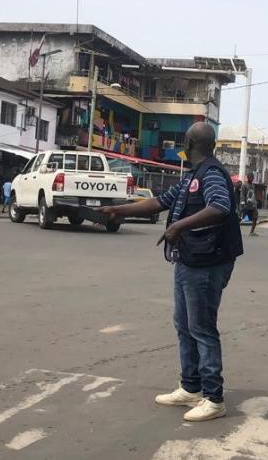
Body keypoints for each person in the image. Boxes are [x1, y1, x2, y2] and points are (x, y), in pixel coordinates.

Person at [98, 122, 243, 422]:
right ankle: (191, 387)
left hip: (207, 262)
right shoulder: (193, 176)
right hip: (189, 260)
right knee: (184, 324)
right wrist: (119, 210)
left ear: (189, 143)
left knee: (202, 327)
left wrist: (179, 225)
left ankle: (214, 398)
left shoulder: (212, 174)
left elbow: (220, 207)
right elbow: (158, 202)